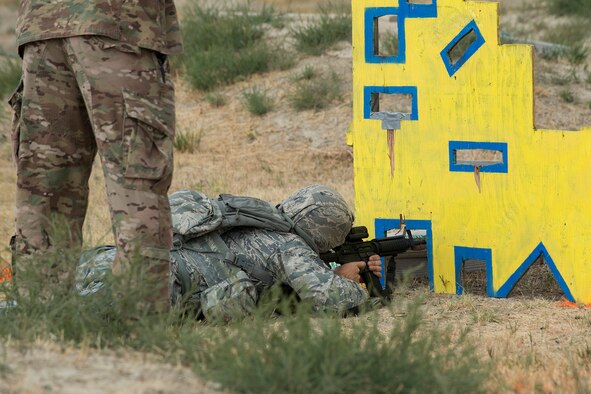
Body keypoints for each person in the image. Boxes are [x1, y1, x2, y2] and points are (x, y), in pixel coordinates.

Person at [8, 0, 183, 310]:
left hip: (43, 26)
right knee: (136, 185)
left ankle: (39, 323)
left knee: (45, 192)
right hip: (117, 24)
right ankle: (138, 326)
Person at [77, 185, 384, 320]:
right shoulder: (289, 246)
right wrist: (342, 278)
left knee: (51, 293)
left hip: (116, 258)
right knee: (78, 320)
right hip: (157, 287)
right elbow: (333, 301)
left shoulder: (256, 215)